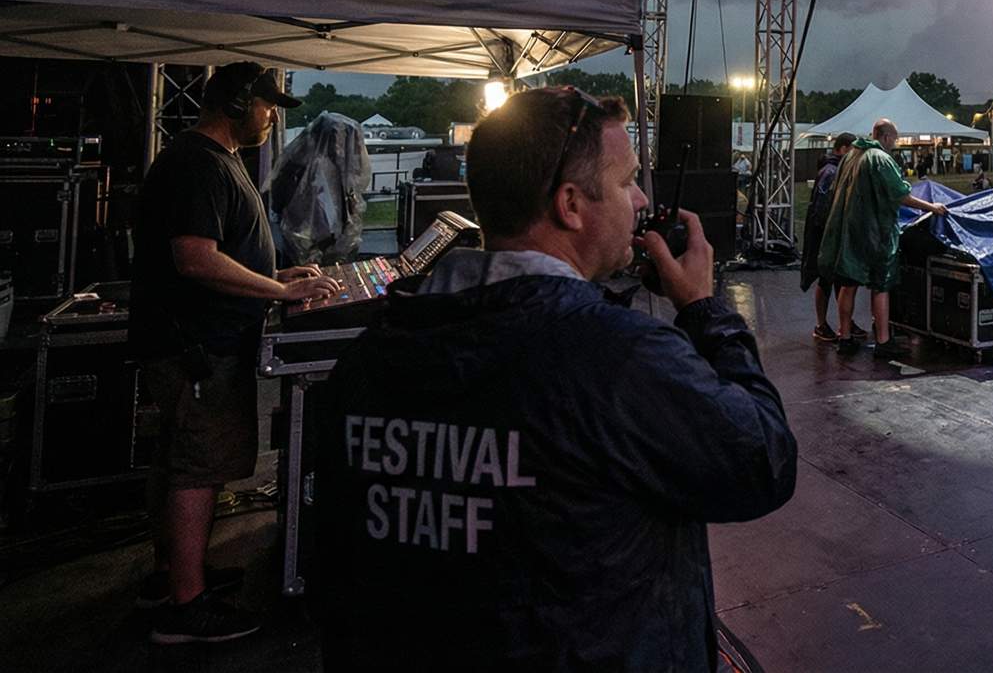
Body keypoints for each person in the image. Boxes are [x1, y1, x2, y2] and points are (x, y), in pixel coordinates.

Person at [313, 86, 798, 671]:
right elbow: (762, 460)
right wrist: (703, 310)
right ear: (571, 205)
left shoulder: (369, 359)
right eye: (626, 182)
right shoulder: (618, 360)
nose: (641, 199)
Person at [131, 64, 341, 643]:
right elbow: (195, 258)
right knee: (197, 467)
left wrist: (276, 271)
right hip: (196, 350)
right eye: (267, 106)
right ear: (238, 102)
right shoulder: (198, 162)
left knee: (178, 460)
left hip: (191, 344)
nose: (273, 117)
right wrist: (281, 291)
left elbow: (222, 248)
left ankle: (172, 576)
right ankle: (186, 608)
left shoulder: (207, 159)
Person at [818, 119, 951, 358]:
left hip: (849, 230)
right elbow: (901, 194)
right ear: (886, 137)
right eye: (895, 139)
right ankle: (883, 340)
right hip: (874, 232)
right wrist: (932, 207)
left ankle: (844, 337)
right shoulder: (881, 159)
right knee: (881, 285)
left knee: (848, 284)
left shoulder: (851, 156)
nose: (895, 144)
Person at [802, 132, 864, 343]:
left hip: (831, 234)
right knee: (826, 280)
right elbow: (822, 210)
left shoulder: (835, 169)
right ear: (844, 148)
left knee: (836, 279)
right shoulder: (831, 172)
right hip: (826, 236)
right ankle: (821, 324)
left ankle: (844, 322)